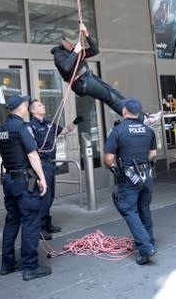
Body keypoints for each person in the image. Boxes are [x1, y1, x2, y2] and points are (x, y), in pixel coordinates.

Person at [51, 22, 162, 127]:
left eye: (73, 43)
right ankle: (141, 119)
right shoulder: (58, 53)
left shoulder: (76, 50)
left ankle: (142, 116)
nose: (72, 45)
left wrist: (87, 35)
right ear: (63, 41)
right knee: (110, 98)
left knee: (115, 94)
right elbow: (66, 67)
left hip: (87, 78)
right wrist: (76, 51)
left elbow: (95, 50)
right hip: (80, 82)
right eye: (70, 43)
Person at [0, 95, 51, 281]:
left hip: (9, 180)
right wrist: (42, 178)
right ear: (20, 107)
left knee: (12, 221)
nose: (27, 106)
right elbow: (33, 155)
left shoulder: (1, 129)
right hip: (23, 182)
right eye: (25, 104)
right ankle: (30, 267)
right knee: (30, 221)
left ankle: (7, 264)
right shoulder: (22, 127)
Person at [103, 97, 157, 265]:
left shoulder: (118, 131)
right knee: (144, 207)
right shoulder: (148, 130)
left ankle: (146, 247)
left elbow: (108, 158)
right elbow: (153, 153)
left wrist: (113, 166)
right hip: (146, 175)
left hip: (129, 177)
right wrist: (141, 161)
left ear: (124, 111)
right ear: (138, 112)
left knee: (129, 210)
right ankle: (150, 241)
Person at [29, 99, 83, 240]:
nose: (44, 106)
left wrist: (75, 123)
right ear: (33, 110)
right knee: (44, 196)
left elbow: (64, 131)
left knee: (50, 195)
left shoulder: (49, 124)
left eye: (43, 104)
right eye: (40, 105)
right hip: (41, 163)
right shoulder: (31, 126)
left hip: (50, 164)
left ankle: (46, 223)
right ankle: (39, 227)